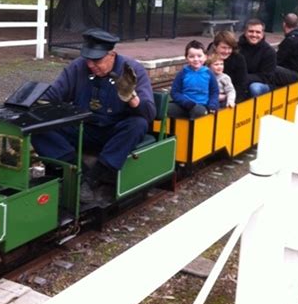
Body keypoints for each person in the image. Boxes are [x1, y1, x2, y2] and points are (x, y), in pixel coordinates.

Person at [32, 28, 156, 202]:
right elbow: (53, 95)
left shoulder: (133, 69)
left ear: (112, 55)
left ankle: (97, 176)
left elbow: (149, 113)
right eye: (88, 59)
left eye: (97, 60)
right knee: (38, 128)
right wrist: (30, 101)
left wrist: (132, 98)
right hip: (84, 128)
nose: (91, 65)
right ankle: (77, 173)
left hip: (115, 131)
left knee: (138, 125)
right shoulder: (77, 67)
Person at [168, 40, 219, 119]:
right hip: (184, 105)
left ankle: (191, 130)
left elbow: (214, 92)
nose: (196, 59)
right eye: (191, 56)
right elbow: (175, 92)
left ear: (205, 57)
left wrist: (212, 105)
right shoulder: (183, 73)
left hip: (202, 105)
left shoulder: (209, 74)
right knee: (166, 108)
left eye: (199, 56)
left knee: (198, 111)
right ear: (186, 58)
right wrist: (185, 102)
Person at [238, 19, 277, 97]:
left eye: (258, 32)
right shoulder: (237, 48)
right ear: (245, 32)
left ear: (262, 34)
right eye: (251, 31)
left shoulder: (269, 52)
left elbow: (266, 77)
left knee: (255, 88)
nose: (254, 35)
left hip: (263, 83)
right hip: (240, 79)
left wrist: (242, 77)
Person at [208, 30, 248, 101]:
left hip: (230, 96)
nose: (226, 51)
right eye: (223, 48)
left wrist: (228, 97)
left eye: (229, 48)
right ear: (215, 46)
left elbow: (241, 85)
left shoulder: (238, 59)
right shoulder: (208, 57)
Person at [273, 13, 298, 86]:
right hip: (297, 72)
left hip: (293, 74)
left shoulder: (290, 40)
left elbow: (278, 59)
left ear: (284, 24)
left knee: (268, 67)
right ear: (297, 24)